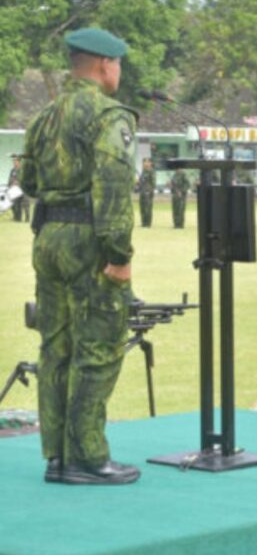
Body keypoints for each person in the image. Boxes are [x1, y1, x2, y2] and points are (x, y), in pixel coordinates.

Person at [20, 27, 140, 484]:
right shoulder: (110, 116)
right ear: (105, 64)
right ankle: (88, 457)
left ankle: (58, 456)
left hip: (49, 236)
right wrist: (119, 254)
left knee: (55, 348)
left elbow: (29, 182)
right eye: (118, 64)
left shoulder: (44, 117)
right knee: (99, 346)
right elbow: (113, 187)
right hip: (89, 241)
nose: (119, 71)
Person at [137, 157, 155, 228]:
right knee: (142, 208)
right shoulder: (143, 171)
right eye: (144, 162)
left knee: (148, 208)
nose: (145, 163)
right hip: (142, 192)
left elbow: (153, 183)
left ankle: (148, 223)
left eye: (147, 162)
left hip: (148, 192)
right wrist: (138, 182)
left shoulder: (151, 171)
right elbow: (142, 182)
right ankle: (143, 223)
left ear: (150, 163)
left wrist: (149, 191)